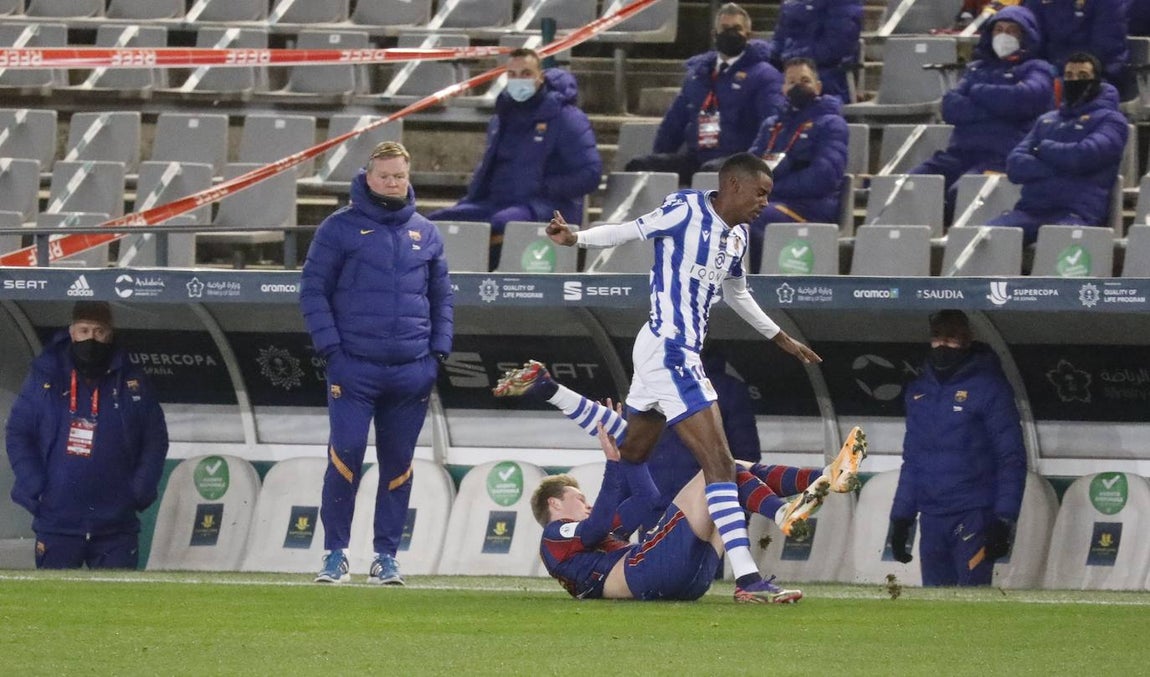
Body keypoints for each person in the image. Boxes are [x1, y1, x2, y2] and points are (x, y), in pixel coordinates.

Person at [544, 152, 826, 601]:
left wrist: (781, 339)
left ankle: (782, 508)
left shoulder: (737, 238)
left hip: (664, 351)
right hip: (670, 348)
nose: (765, 204)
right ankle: (750, 573)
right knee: (719, 462)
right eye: (760, 193)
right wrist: (576, 238)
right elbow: (631, 230)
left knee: (633, 454)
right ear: (733, 185)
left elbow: (738, 292)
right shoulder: (685, 209)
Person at [300, 141, 454, 586]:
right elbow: (312, 290)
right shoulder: (338, 229)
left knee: (399, 464)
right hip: (355, 369)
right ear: (368, 177)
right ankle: (335, 553)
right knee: (345, 454)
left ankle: (386, 556)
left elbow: (442, 296)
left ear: (409, 179)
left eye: (399, 176)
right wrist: (332, 351)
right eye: (385, 175)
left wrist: (437, 352)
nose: (392, 182)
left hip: (412, 370)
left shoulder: (426, 232)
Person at [529, 406, 866, 603]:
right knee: (718, 469)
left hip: (688, 580)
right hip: (648, 573)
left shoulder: (588, 543)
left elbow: (649, 501)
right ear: (555, 504)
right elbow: (598, 524)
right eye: (579, 499)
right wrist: (612, 463)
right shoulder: (556, 535)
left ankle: (826, 476)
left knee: (733, 469)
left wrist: (629, 454)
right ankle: (781, 510)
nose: (586, 504)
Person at [5, 301, 168, 569]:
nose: (91, 339)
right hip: (57, 520)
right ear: (71, 332)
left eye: (99, 332)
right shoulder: (45, 375)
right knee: (54, 605)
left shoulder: (133, 380)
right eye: (84, 331)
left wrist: (139, 491)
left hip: (116, 524)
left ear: (110, 335)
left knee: (115, 608)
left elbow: (155, 439)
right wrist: (35, 484)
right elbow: (18, 433)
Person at [426, 47, 601, 270]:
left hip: (544, 206)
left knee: (501, 224)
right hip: (495, 202)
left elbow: (590, 174)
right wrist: (472, 197)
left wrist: (543, 187)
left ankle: (488, 280)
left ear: (540, 77)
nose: (519, 80)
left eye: (526, 73)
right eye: (512, 74)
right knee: (436, 222)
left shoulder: (566, 118)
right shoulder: (502, 117)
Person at [888, 310, 1027, 587]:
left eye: (951, 338)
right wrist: (901, 517)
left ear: (967, 340)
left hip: (974, 514)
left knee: (971, 603)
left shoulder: (990, 388)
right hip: (931, 517)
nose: (942, 345)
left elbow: (1011, 457)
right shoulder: (919, 391)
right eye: (937, 337)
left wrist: (1004, 518)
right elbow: (913, 460)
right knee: (934, 604)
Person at [908, 5, 1054, 225]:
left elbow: (1023, 99)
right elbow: (951, 106)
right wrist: (999, 107)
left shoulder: (1038, 69)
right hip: (959, 154)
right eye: (999, 29)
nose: (1004, 36)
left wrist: (977, 93)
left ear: (1026, 35)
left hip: (1001, 158)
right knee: (909, 185)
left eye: (1012, 30)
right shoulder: (976, 69)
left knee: (961, 193)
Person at [625, 3, 786, 185]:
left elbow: (772, 126)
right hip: (696, 157)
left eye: (737, 29)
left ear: (749, 35)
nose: (731, 34)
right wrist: (659, 156)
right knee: (640, 167)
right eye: (725, 28)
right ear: (714, 34)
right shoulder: (698, 75)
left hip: (738, 160)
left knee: (709, 172)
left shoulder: (765, 76)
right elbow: (674, 122)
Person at [985, 52, 1127, 244]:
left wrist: (1042, 149)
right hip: (1031, 211)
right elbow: (1015, 166)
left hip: (1077, 213)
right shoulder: (1047, 120)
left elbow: (1083, 156)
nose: (1075, 80)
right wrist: (1061, 167)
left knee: (1055, 242)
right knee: (984, 236)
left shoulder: (1111, 120)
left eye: (1083, 76)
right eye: (1069, 76)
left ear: (1097, 81)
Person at [740, 57, 849, 273]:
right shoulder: (772, 125)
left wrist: (771, 189)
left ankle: (756, 284)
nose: (798, 86)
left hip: (812, 207)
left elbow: (823, 178)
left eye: (805, 81)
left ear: (817, 87)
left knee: (751, 217)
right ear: (783, 88)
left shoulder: (832, 124)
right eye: (791, 82)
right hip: (771, 202)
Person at [1021, 0, 1132, 99]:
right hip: (1049, 73)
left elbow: (1105, 49)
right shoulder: (1037, 3)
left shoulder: (1108, 3)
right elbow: (1032, 44)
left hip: (1097, 74)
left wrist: (1058, 75)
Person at [764, 0, 862, 104]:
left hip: (827, 74)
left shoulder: (844, 3)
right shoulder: (791, 4)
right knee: (758, 76)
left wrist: (791, 59)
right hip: (788, 69)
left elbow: (836, 46)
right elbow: (779, 40)